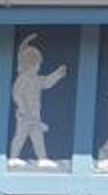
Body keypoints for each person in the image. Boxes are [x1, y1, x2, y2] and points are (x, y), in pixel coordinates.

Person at [9, 36, 69, 166]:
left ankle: (42, 158)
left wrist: (57, 74)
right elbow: (16, 94)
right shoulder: (22, 79)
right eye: (36, 65)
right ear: (27, 65)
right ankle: (13, 156)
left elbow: (47, 82)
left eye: (38, 65)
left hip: (35, 116)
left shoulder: (36, 80)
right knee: (20, 136)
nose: (38, 68)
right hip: (24, 116)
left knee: (38, 138)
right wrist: (23, 107)